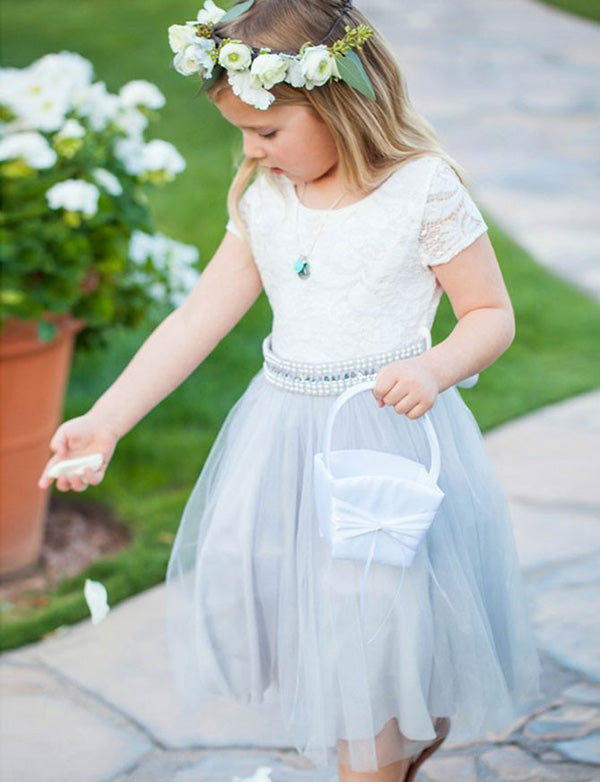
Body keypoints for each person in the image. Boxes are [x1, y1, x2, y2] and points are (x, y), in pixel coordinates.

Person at [38, 1, 541, 780]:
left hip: (383, 445)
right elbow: (195, 321)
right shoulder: (265, 202)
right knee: (342, 643)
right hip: (283, 448)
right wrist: (106, 420)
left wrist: (436, 367)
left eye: (268, 133)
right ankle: (379, 754)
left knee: (383, 637)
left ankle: (390, 746)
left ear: (343, 105)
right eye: (241, 133)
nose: (251, 151)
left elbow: (489, 314)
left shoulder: (422, 192)